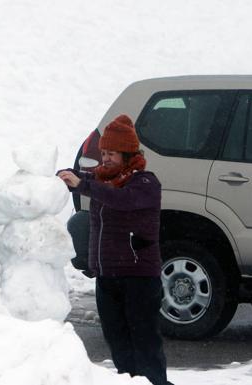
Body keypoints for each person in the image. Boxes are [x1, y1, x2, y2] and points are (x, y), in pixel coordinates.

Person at [57, 114, 171, 385]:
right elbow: (94, 183)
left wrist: (83, 185)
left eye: (112, 153)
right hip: (108, 276)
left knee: (145, 344)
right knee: (117, 341)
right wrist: (65, 177)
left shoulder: (145, 183)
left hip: (139, 277)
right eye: (104, 152)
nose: (105, 158)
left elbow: (122, 200)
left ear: (128, 154)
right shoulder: (101, 180)